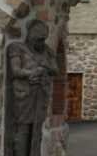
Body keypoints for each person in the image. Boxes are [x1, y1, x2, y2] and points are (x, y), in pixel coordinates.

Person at [8, 20, 59, 156]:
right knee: (23, 128)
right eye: (38, 39)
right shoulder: (16, 47)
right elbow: (15, 70)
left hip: (41, 94)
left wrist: (44, 68)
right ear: (31, 37)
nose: (41, 43)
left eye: (43, 39)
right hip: (24, 95)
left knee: (37, 129)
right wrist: (31, 73)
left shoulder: (47, 51)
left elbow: (55, 70)